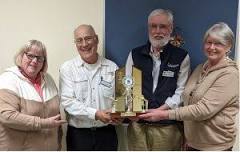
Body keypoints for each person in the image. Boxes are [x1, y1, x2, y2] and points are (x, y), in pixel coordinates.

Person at [139, 22, 239, 151]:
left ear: (229, 46)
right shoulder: (200, 69)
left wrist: (163, 114)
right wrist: (188, 137)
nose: (211, 47)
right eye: (208, 42)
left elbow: (203, 110)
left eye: (218, 43)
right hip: (193, 143)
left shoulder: (230, 75)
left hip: (215, 146)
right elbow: (187, 100)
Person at [125, 8, 190, 150]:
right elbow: (127, 87)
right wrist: (131, 111)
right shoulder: (135, 54)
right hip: (138, 127)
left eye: (163, 26)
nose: (157, 31)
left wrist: (161, 111)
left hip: (168, 128)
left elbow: (181, 91)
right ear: (149, 28)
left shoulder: (181, 56)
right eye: (153, 26)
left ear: (171, 28)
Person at [59, 24, 119, 151]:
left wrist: (118, 114)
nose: (84, 44)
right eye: (79, 40)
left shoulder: (112, 67)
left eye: (88, 38)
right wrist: (96, 114)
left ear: (96, 39)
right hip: (79, 136)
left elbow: (119, 99)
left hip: (107, 134)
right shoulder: (68, 68)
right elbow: (68, 102)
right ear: (75, 43)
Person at [0, 40, 66, 150]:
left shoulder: (48, 79)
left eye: (40, 58)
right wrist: (43, 123)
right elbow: (7, 116)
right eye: (30, 56)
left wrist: (58, 144)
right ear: (21, 56)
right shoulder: (8, 79)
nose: (35, 61)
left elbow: (56, 116)